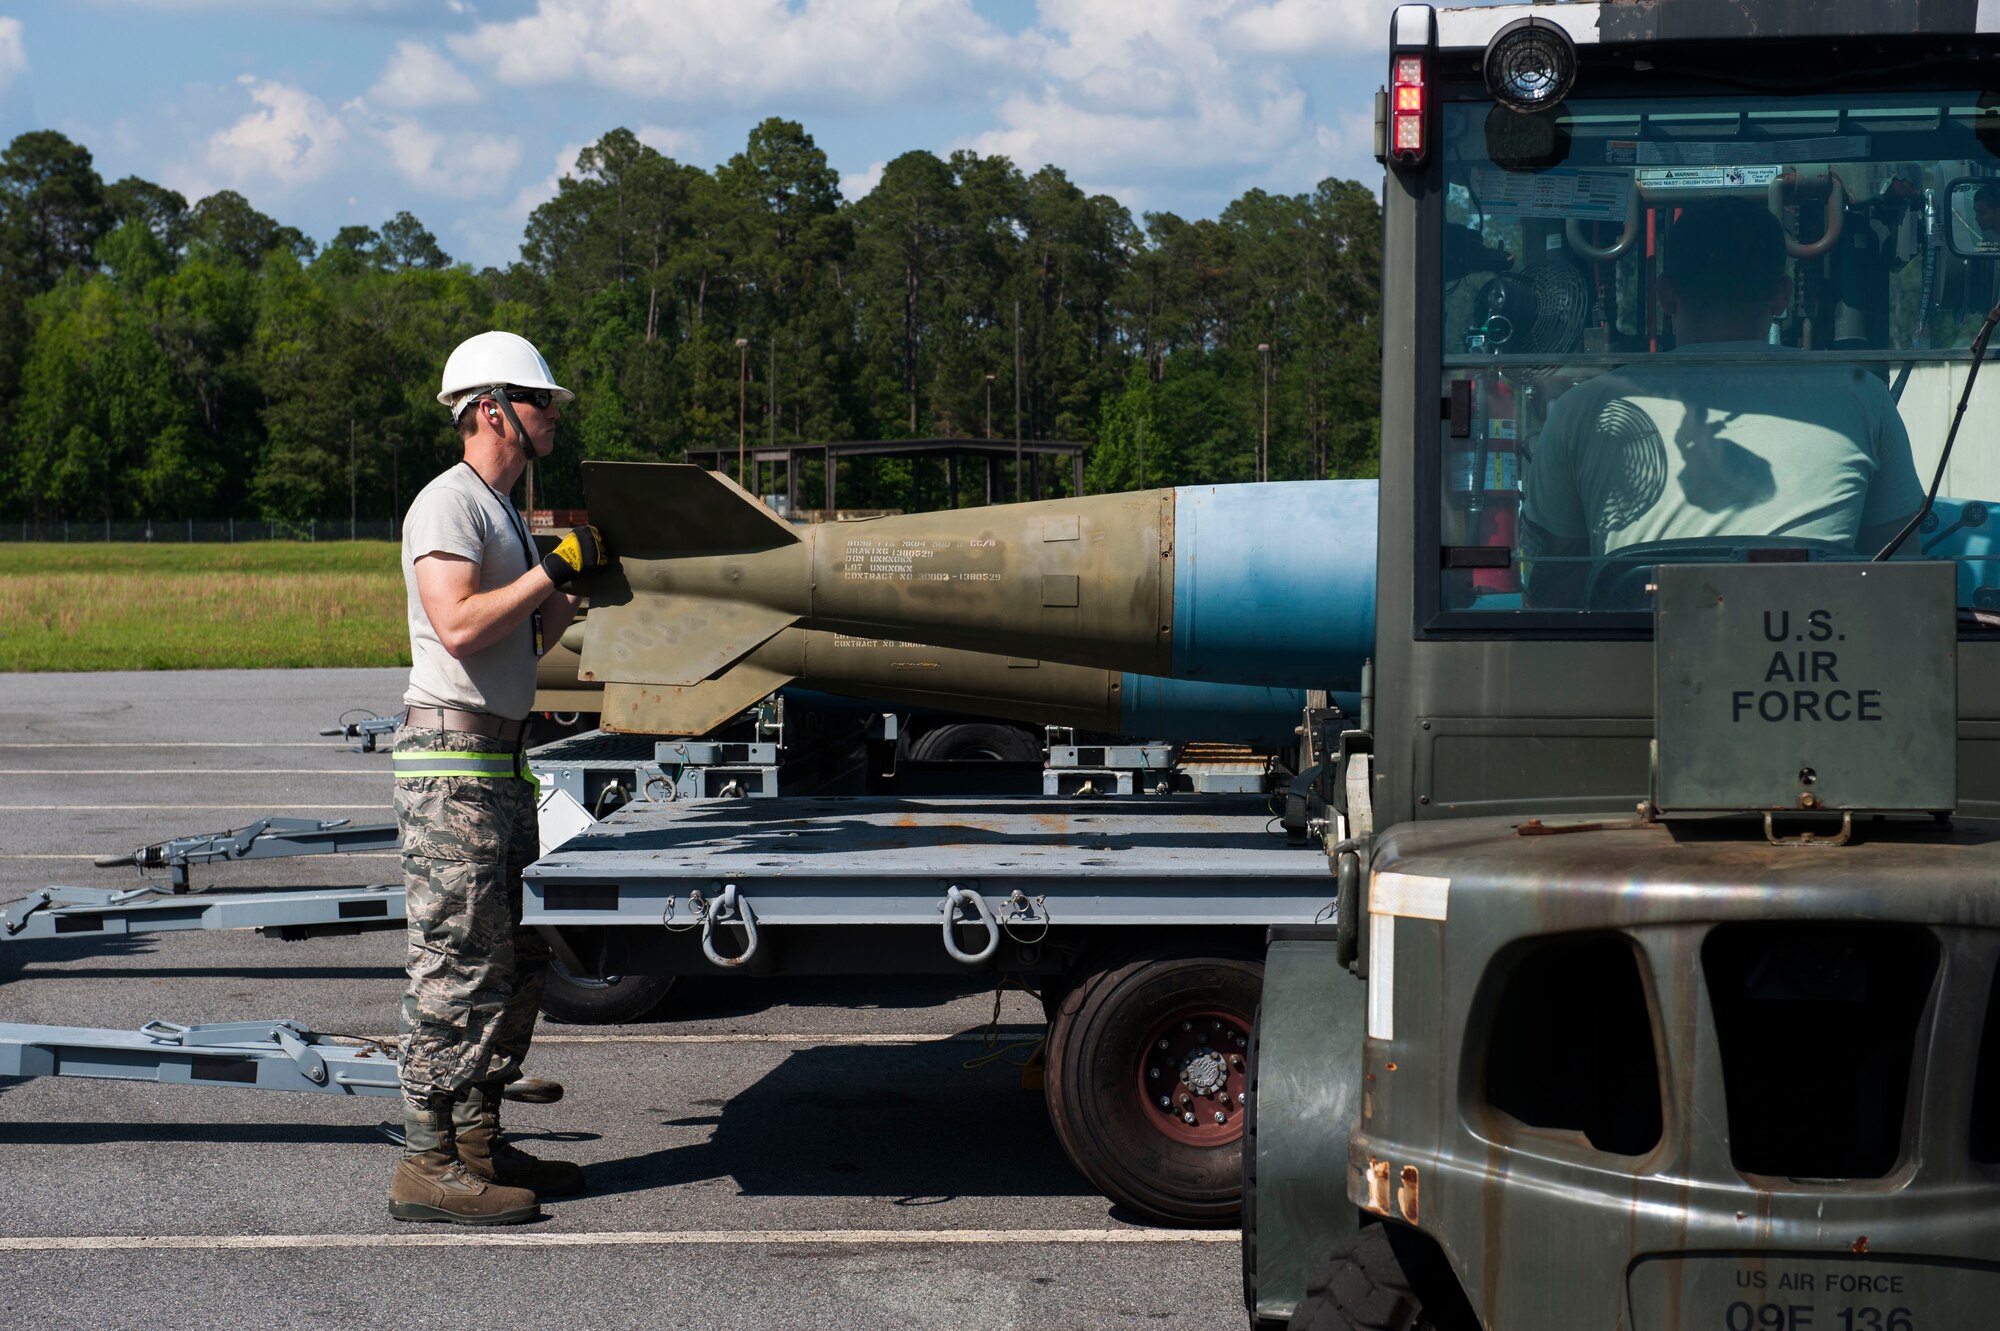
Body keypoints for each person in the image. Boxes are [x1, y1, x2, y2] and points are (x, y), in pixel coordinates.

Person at [388, 330, 608, 1225]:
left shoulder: (504, 509)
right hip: (451, 771)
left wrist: (568, 592)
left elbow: (523, 638)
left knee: (513, 959)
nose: (553, 414)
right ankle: (425, 1161)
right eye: (540, 400)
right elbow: (462, 627)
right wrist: (546, 574)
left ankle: (478, 1139)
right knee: (455, 962)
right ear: (491, 409)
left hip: (497, 762)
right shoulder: (449, 505)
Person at [1521, 197, 1925, 605]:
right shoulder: (1862, 395)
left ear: (1665, 295)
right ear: (1783, 296)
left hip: (1631, 664)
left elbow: (1554, 590)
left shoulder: (1584, 410)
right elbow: (1901, 581)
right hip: (1810, 660)